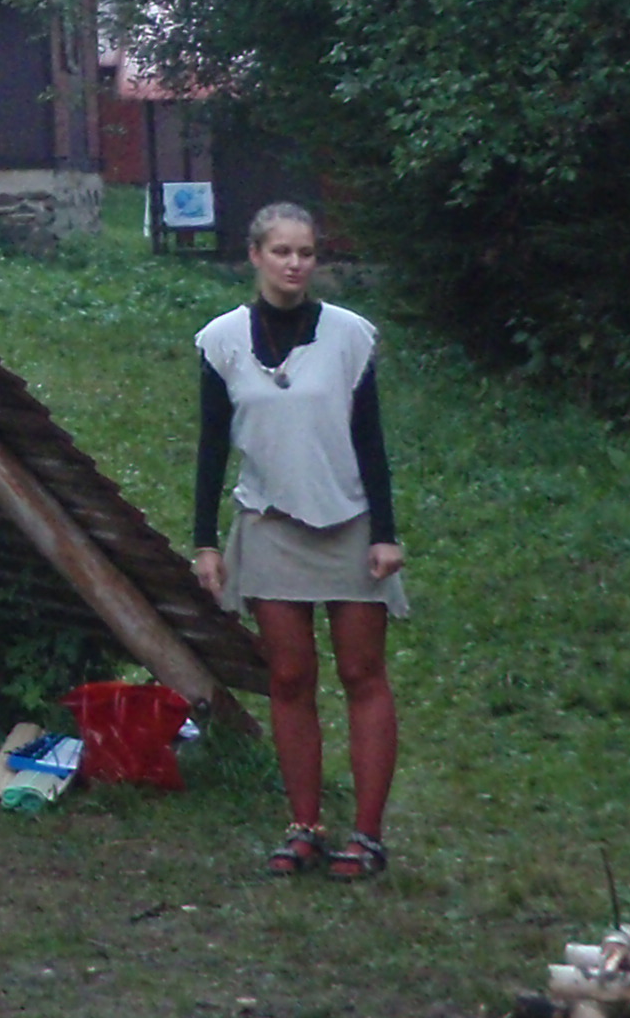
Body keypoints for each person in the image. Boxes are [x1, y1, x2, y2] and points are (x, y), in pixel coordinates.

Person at [193, 201, 406, 881]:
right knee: (289, 678)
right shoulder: (221, 340)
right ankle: (305, 825)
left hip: (348, 522)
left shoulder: (350, 337)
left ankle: (367, 835)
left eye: (306, 252)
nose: (294, 264)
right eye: (281, 251)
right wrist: (205, 542)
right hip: (269, 523)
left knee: (361, 673)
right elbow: (211, 446)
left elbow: (370, 439)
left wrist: (385, 533)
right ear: (255, 255)